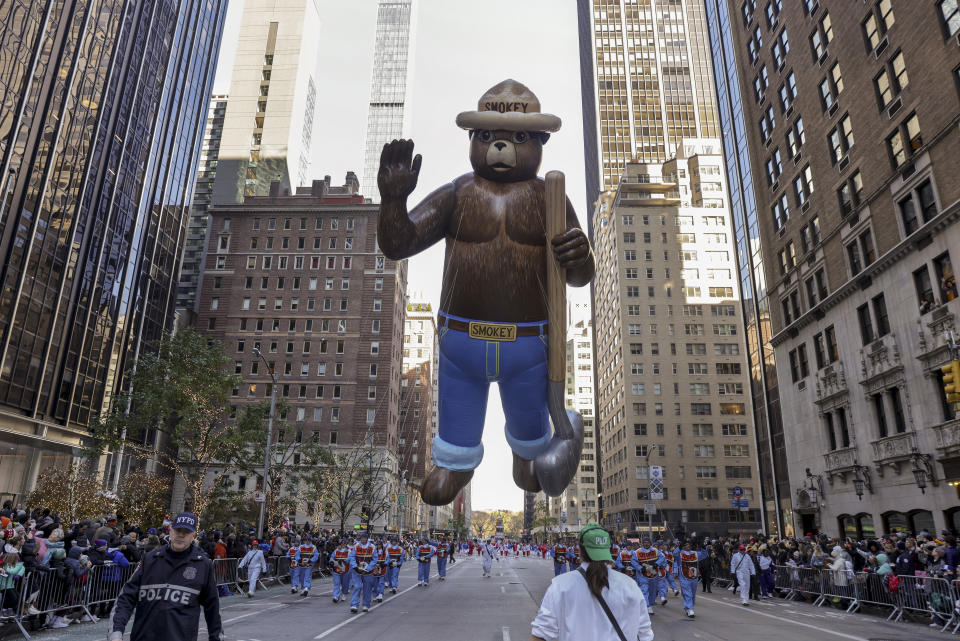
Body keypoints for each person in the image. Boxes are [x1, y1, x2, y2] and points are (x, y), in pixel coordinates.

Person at [110, 512, 222, 641]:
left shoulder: (203, 565)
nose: (181, 535)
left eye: (186, 532)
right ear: (171, 531)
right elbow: (126, 597)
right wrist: (116, 633)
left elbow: (213, 609)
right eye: (178, 530)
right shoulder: (150, 559)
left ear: (193, 536)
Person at [531, 524, 654, 641]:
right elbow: (644, 634)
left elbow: (541, 634)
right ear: (608, 550)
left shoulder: (560, 586)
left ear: (580, 550)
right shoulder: (631, 586)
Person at [631, 537, 663, 615]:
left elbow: (662, 558)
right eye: (644, 542)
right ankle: (647, 606)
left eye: (647, 542)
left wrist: (657, 564)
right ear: (642, 543)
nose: (646, 544)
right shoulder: (637, 552)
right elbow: (633, 561)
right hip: (642, 575)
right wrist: (640, 568)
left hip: (653, 574)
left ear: (650, 543)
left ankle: (650, 604)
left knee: (653, 591)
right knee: (644, 590)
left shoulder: (655, 551)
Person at [348, 532, 378, 613]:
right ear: (360, 538)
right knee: (357, 587)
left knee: (367, 589)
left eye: (365, 538)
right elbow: (352, 556)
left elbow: (375, 559)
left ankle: (366, 604)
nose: (363, 539)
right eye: (362, 538)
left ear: (367, 538)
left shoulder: (372, 547)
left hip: (368, 572)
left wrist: (368, 567)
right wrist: (354, 566)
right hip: (357, 571)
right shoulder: (356, 546)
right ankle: (354, 605)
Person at [678, 540, 700, 618]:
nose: (688, 546)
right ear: (683, 546)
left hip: (694, 577)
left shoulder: (695, 553)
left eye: (689, 545)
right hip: (684, 577)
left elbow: (704, 555)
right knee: (688, 593)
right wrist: (679, 547)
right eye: (686, 545)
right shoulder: (680, 553)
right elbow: (674, 554)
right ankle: (690, 609)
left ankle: (688, 607)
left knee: (692, 594)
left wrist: (702, 546)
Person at [329, 538, 352, 603]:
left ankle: (344, 594)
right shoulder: (336, 550)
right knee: (337, 583)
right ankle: (335, 596)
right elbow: (332, 557)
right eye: (342, 543)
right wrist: (331, 561)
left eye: (344, 543)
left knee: (345, 583)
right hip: (336, 569)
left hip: (346, 570)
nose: (343, 545)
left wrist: (345, 561)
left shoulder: (349, 551)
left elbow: (350, 557)